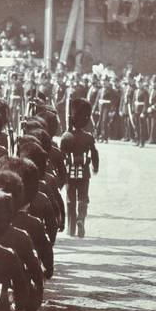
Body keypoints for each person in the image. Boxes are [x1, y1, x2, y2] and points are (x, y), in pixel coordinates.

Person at [59, 97, 99, 238]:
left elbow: (61, 157)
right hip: (84, 173)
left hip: (70, 173)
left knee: (70, 201)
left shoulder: (66, 136)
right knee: (83, 198)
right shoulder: (88, 137)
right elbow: (94, 153)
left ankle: (71, 229)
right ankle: (80, 219)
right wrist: (95, 167)